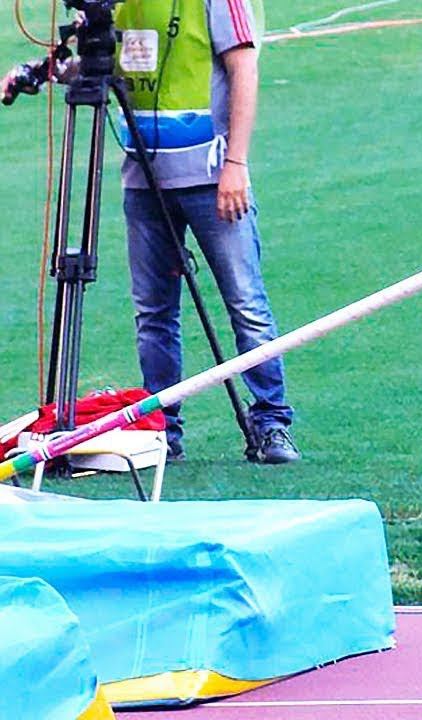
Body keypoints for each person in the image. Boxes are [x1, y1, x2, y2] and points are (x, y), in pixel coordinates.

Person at [115, 0, 298, 463]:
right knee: (153, 314)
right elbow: (103, 63)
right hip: (143, 178)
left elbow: (244, 68)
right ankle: (162, 431)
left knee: (246, 305)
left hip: (213, 178)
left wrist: (236, 163)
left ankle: (271, 422)